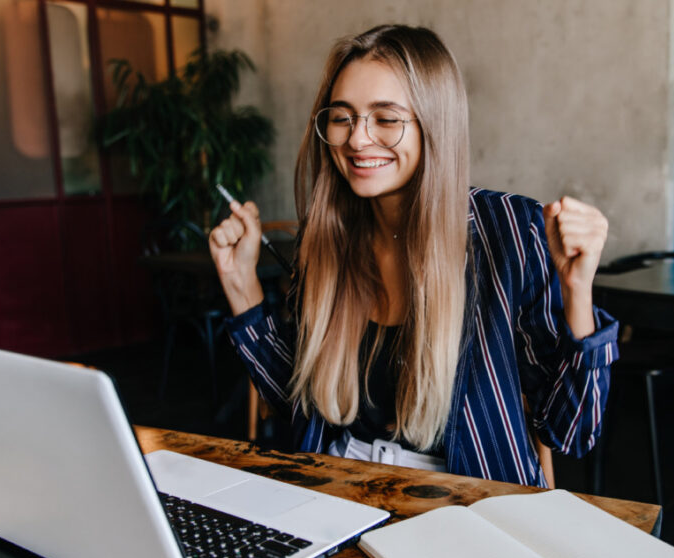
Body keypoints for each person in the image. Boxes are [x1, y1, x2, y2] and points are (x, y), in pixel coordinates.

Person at [209, 24, 618, 488]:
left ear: (434, 124)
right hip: (339, 488)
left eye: (386, 118)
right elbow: (299, 406)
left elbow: (571, 431)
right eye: (342, 117)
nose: (358, 139)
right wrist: (241, 283)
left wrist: (578, 291)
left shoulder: (508, 229)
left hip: (472, 502)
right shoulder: (327, 240)